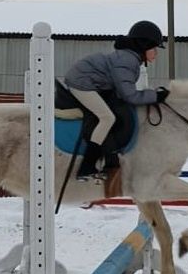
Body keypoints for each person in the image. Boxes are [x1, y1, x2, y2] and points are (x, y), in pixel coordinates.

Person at [64, 20, 170, 180]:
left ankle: (110, 160)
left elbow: (123, 93)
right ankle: (86, 166)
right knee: (107, 118)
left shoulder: (130, 58)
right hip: (82, 83)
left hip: (93, 82)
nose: (156, 52)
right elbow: (130, 95)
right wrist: (155, 96)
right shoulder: (127, 61)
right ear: (143, 45)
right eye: (154, 48)